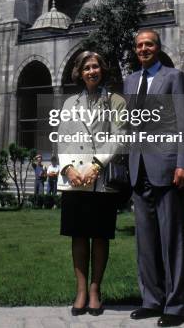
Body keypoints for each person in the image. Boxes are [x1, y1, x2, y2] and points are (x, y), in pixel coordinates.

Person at [124, 29, 184, 327]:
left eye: (148, 44)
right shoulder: (129, 81)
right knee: (146, 241)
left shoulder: (173, 77)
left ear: (157, 47)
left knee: (171, 240)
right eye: (139, 45)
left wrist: (183, 163)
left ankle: (175, 306)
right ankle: (152, 300)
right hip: (138, 169)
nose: (143, 49)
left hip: (167, 169)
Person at [57, 51, 126, 316]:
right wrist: (68, 168)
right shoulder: (69, 103)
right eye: (86, 67)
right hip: (75, 179)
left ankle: (96, 290)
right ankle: (81, 290)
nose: (91, 71)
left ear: (102, 70)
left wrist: (98, 164)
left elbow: (120, 135)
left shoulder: (114, 101)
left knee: (99, 235)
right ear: (80, 72)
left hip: (101, 178)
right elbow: (61, 138)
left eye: (95, 66)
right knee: (78, 235)